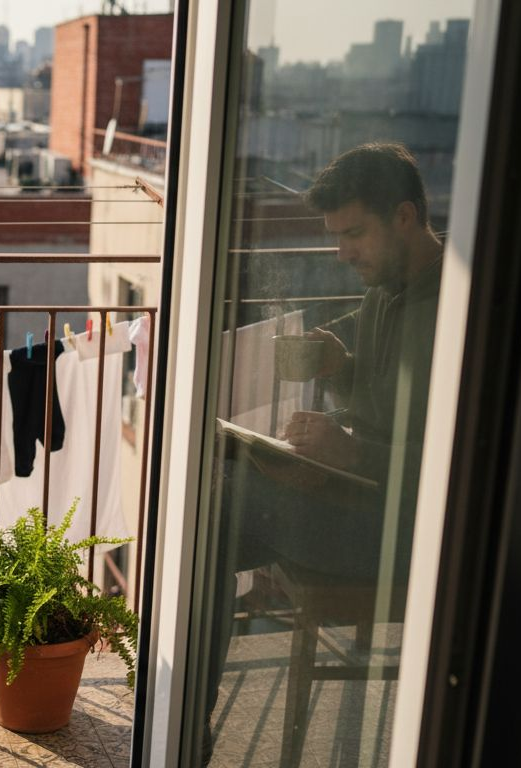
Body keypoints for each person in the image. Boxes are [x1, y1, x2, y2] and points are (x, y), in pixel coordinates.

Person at [200, 142, 444, 763]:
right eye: (335, 237)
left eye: (355, 234)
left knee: (216, 518)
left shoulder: (459, 308)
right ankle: (185, 711)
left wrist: (353, 453)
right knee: (223, 477)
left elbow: (461, 462)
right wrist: (340, 372)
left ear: (406, 218)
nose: (343, 254)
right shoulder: (385, 292)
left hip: (401, 533)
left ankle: (184, 719)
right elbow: (383, 402)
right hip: (362, 501)